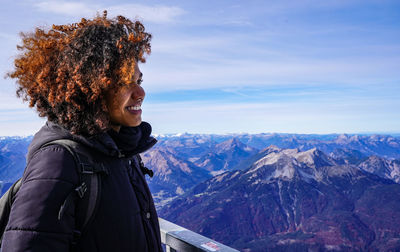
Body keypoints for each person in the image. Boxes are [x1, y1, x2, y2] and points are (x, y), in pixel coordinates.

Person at [2, 11, 163, 251]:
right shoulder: (58, 161)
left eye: (139, 81)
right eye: (125, 82)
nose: (140, 93)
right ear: (93, 88)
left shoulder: (118, 152)